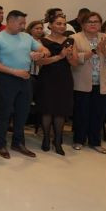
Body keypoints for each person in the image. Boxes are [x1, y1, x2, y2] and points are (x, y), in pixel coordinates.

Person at [0, 10, 49, 158]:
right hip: (7, 79)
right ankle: (1, 144)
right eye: (21, 23)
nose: (23, 26)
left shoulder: (26, 37)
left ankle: (18, 143)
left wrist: (40, 53)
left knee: (23, 112)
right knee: (5, 113)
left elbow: (45, 50)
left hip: (25, 79)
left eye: (24, 23)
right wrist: (14, 72)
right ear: (10, 21)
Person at [70, 12, 106, 153]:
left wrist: (104, 50)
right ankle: (79, 140)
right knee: (81, 113)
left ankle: (95, 141)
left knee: (98, 114)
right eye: (89, 21)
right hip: (82, 81)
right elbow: (75, 58)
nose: (93, 24)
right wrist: (94, 51)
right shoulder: (75, 38)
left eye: (96, 21)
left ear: (100, 24)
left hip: (103, 82)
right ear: (82, 24)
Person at [34, 15, 77, 155]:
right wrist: (59, 56)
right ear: (50, 25)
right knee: (47, 109)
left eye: (64, 24)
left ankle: (58, 141)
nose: (62, 26)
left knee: (61, 110)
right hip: (47, 77)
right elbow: (39, 62)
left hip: (64, 78)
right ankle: (46, 138)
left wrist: (69, 56)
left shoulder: (70, 40)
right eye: (58, 23)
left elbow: (75, 63)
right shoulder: (42, 41)